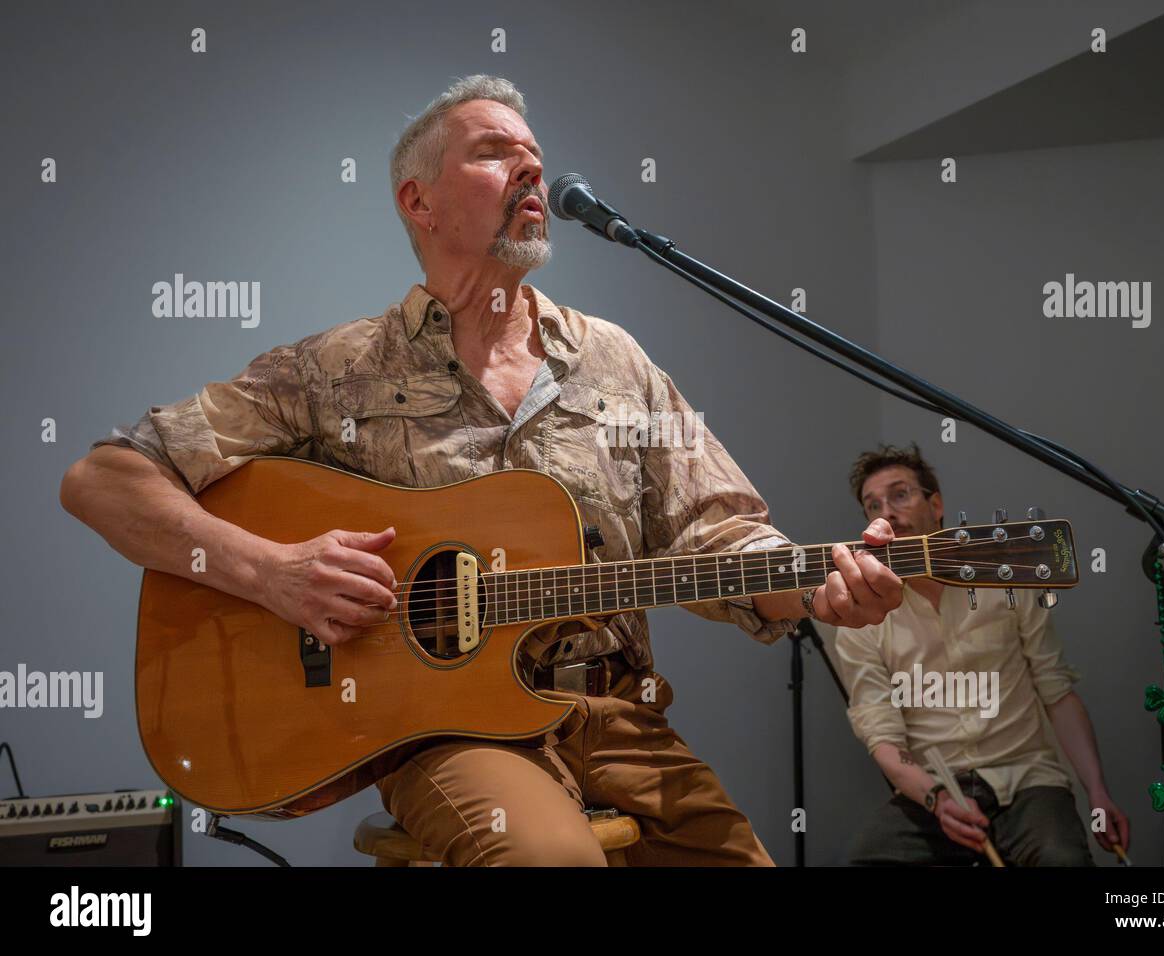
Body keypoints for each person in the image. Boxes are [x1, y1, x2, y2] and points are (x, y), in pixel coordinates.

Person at [59, 75, 903, 866]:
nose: (531, 164)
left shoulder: (614, 361)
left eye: (532, 152)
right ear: (417, 200)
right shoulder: (332, 371)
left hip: (619, 717)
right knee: (548, 860)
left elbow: (719, 532)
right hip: (446, 738)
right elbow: (102, 480)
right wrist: (274, 572)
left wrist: (818, 587)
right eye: (495, 151)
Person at [834, 442, 1128, 866]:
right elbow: (881, 735)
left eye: (900, 494)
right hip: (935, 788)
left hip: (1028, 778)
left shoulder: (1005, 580)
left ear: (936, 505)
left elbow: (1056, 691)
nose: (888, 513)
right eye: (873, 505)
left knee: (1062, 860)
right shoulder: (864, 617)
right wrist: (935, 799)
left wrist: (1099, 794)